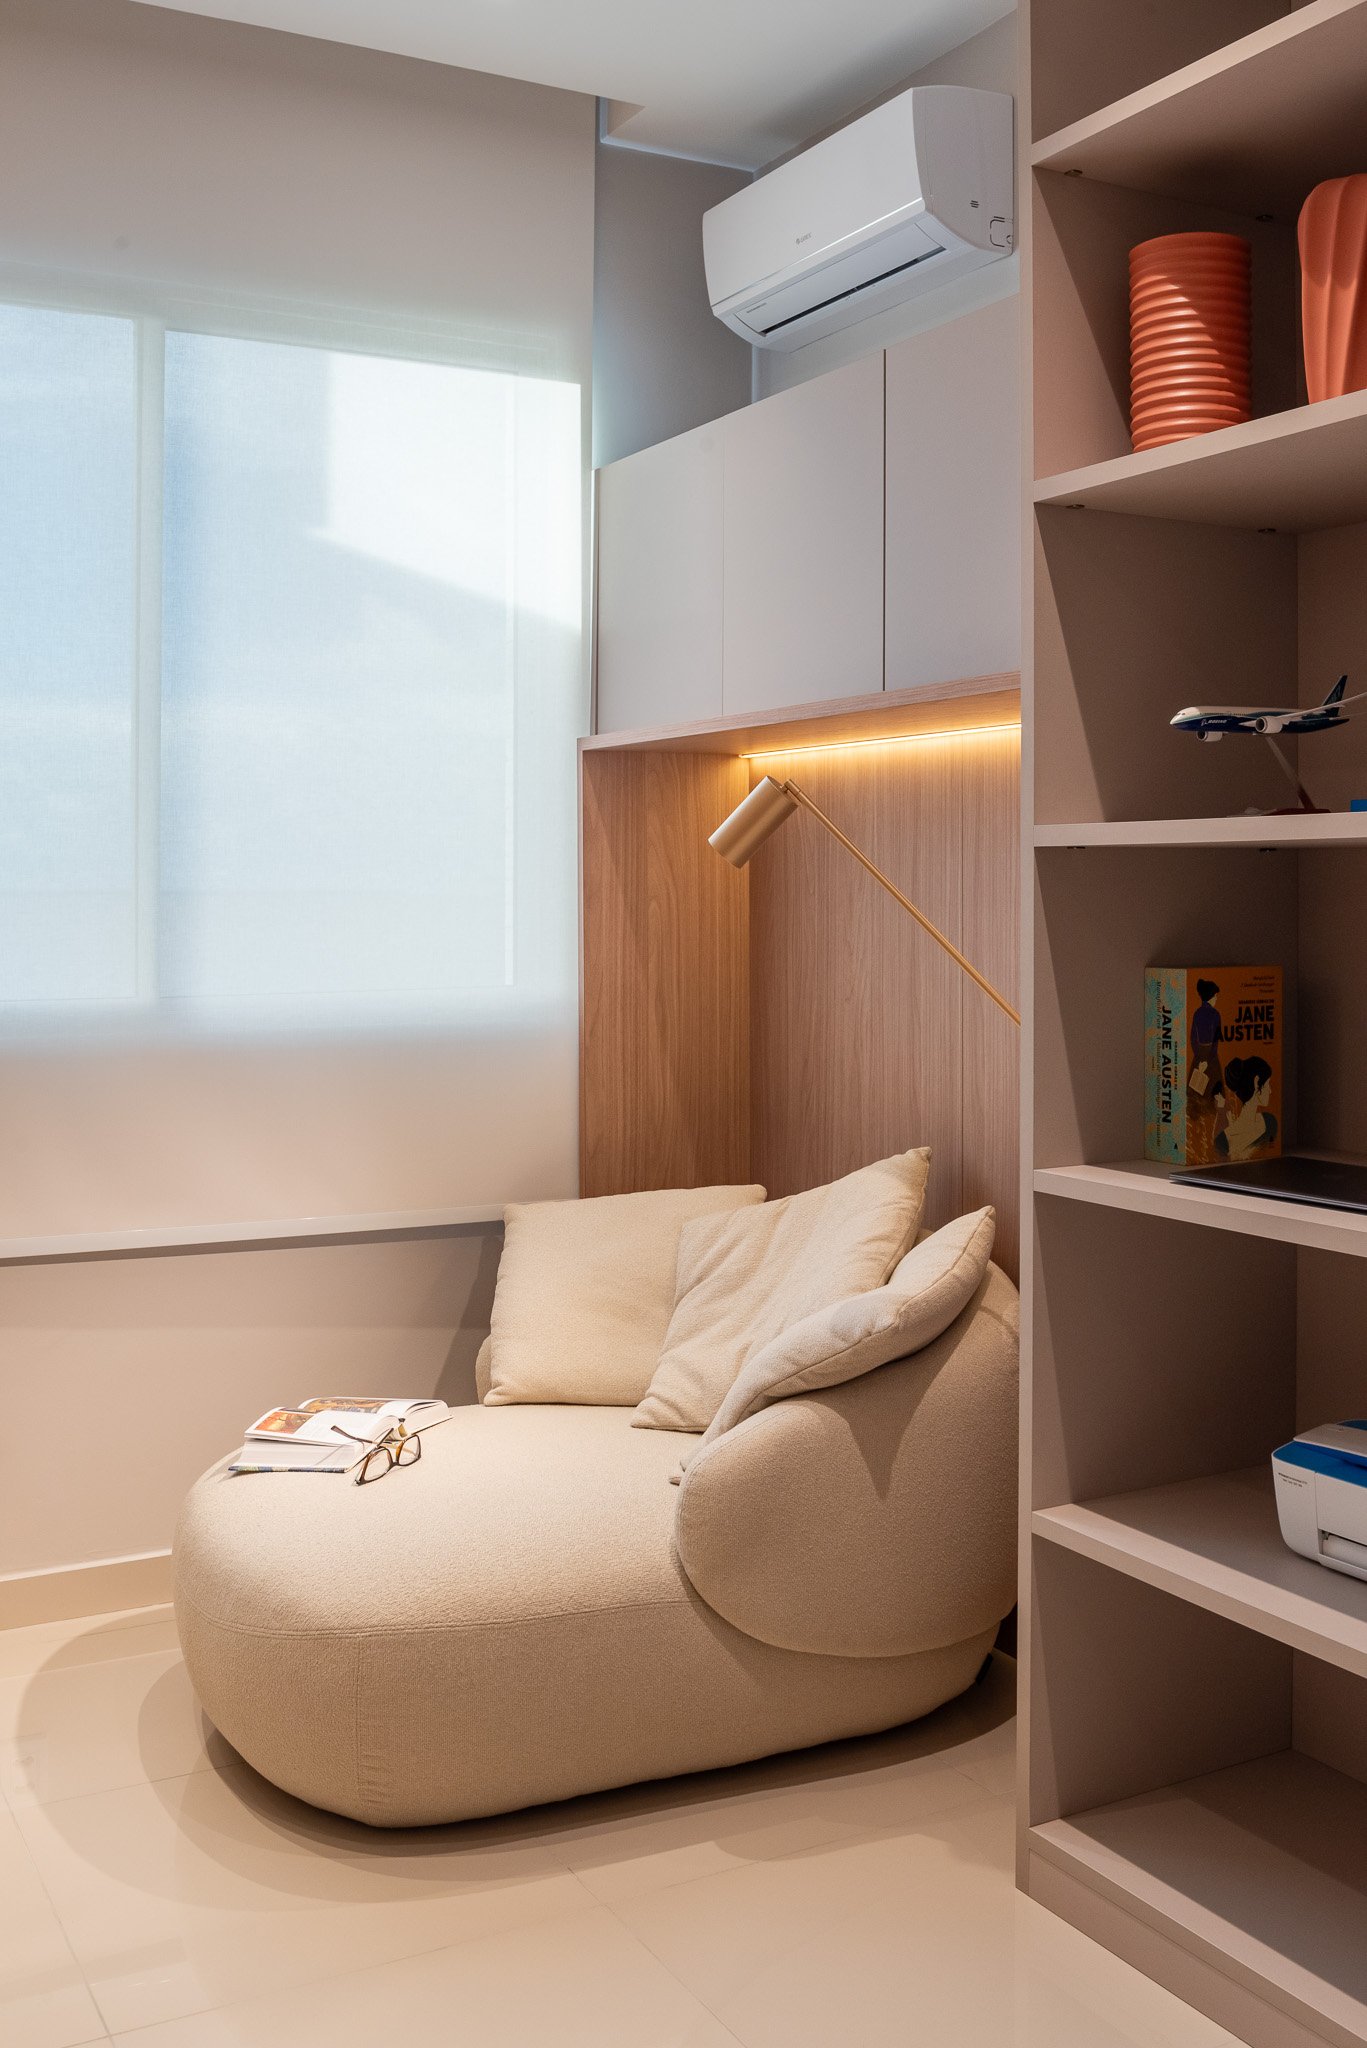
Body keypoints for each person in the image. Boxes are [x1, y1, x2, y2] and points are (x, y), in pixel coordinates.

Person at [1216, 1055, 1277, 1162]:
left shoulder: (1270, 1122)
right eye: (1268, 1084)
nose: (1270, 1090)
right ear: (1257, 1082)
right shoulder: (1224, 1141)